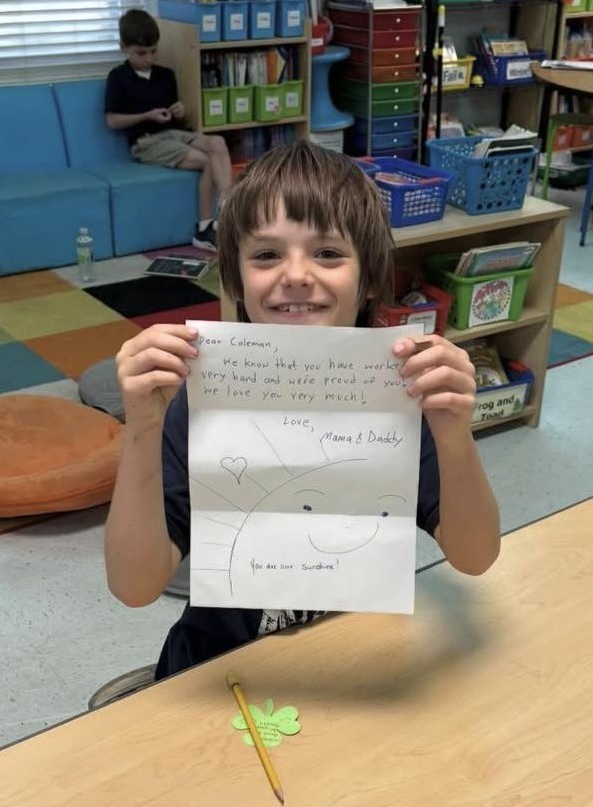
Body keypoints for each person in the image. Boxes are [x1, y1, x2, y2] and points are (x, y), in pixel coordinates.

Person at [105, 140, 500, 680]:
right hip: (223, 669)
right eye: (266, 254)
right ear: (237, 279)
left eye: (328, 253)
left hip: (356, 662)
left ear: (366, 281)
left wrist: (454, 432)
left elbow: (474, 556)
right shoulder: (201, 398)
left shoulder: (403, 392)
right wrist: (142, 427)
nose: (295, 274)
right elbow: (135, 586)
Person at [104, 9, 231, 251]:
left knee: (218, 143)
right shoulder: (118, 77)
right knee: (206, 161)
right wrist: (146, 115)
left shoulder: (166, 75)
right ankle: (204, 228)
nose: (149, 58)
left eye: (153, 51)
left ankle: (229, 210)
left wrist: (179, 110)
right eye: (141, 53)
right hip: (146, 141)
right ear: (123, 47)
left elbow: (175, 113)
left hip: (174, 133)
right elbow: (112, 120)